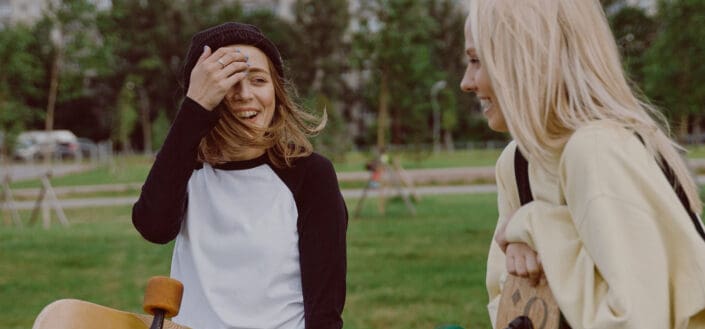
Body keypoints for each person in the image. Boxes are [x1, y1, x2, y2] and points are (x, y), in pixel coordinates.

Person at [460, 1, 705, 328]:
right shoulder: (517, 163)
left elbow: (639, 317)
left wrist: (533, 224)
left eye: (476, 60)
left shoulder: (597, 149)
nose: (466, 82)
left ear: (525, 58)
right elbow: (508, 304)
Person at [132, 22, 348, 329]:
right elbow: (154, 227)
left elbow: (325, 308)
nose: (245, 95)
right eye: (228, 82)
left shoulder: (310, 175)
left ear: (276, 90)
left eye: (258, 80)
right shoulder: (185, 168)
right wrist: (193, 110)